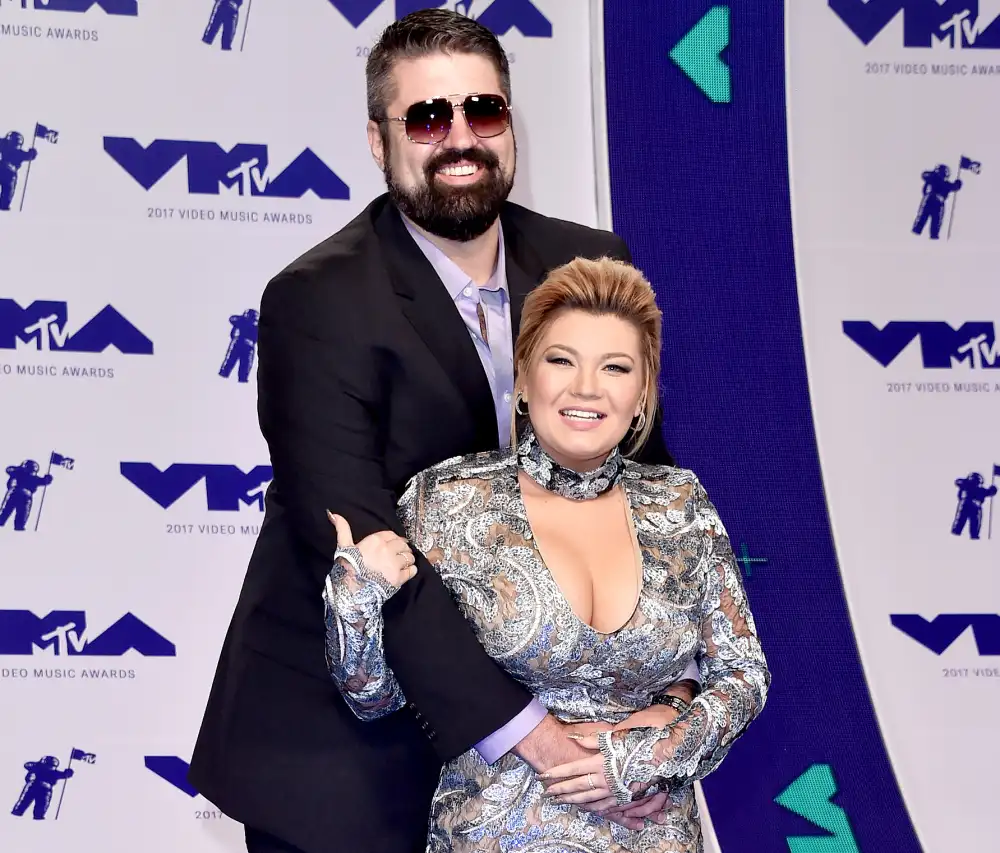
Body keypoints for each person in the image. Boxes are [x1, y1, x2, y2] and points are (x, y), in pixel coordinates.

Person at [188, 9, 698, 853]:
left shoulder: (590, 263)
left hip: (563, 759)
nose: (460, 137)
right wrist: (545, 746)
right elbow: (365, 551)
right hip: (352, 754)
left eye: (483, 111)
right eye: (427, 117)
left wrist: (657, 721)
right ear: (377, 140)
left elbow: (650, 510)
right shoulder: (317, 302)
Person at [324, 257, 771, 852]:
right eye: (562, 360)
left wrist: (652, 758)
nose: (587, 388)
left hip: (656, 835)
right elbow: (375, 697)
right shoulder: (450, 500)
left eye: (616, 367)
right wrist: (354, 595)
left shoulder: (680, 501)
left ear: (642, 395)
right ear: (525, 379)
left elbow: (742, 674)